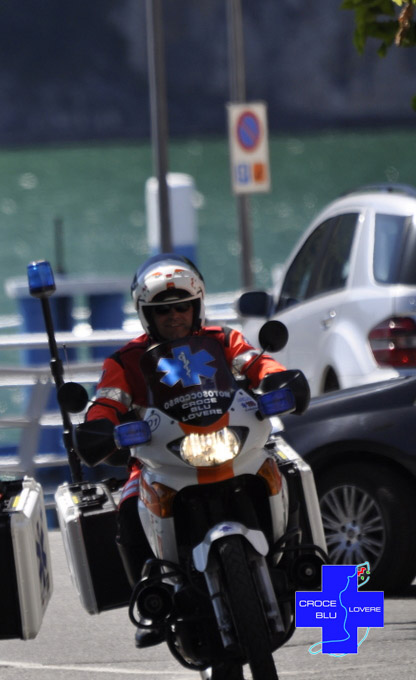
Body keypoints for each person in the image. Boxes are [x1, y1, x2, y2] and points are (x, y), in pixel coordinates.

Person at [75, 253, 307, 648]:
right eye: (162, 310)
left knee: (290, 471)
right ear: (147, 315)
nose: (174, 316)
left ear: (196, 306)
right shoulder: (125, 360)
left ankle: (307, 570)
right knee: (128, 507)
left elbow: (256, 362)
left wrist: (276, 379)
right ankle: (152, 602)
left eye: (182, 306)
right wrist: (100, 425)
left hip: (233, 443)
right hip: (161, 459)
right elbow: (107, 399)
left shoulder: (223, 339)